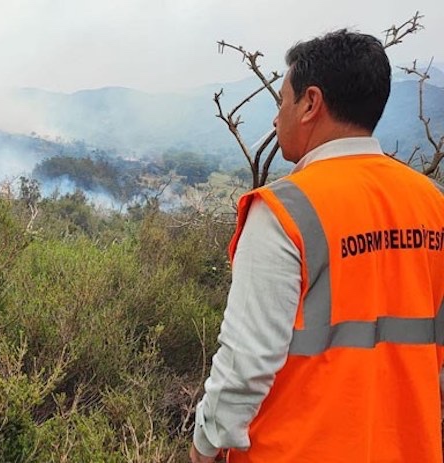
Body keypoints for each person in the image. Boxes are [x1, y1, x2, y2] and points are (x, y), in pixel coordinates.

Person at [190, 29, 444, 462]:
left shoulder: (283, 211)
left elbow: (245, 362)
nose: (275, 119)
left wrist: (205, 445)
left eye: (281, 102)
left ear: (310, 103)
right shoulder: (431, 203)